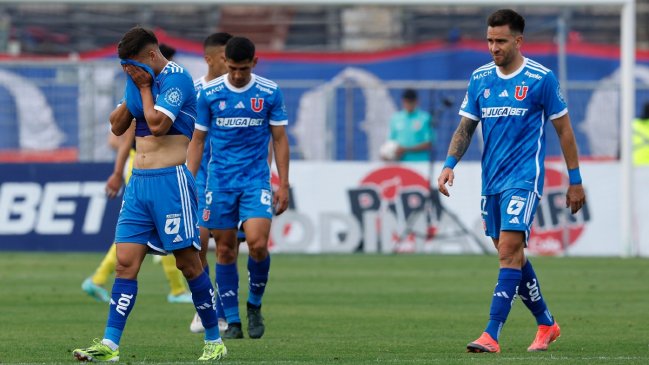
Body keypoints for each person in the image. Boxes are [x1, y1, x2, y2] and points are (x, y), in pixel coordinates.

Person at [73, 26, 226, 362]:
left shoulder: (178, 79)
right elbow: (116, 126)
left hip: (170, 183)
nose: (128, 71)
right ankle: (110, 344)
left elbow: (157, 125)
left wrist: (142, 87)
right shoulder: (136, 77)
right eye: (124, 67)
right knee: (125, 264)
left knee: (188, 265)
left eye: (133, 65)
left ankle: (214, 338)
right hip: (138, 183)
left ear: (152, 55)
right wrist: (133, 88)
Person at [436, 9, 586, 354]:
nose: (493, 47)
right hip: (492, 181)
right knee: (511, 256)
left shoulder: (540, 78)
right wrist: (449, 164)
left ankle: (491, 334)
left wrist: (575, 180)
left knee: (507, 252)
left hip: (524, 178)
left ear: (518, 40)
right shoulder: (480, 79)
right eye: (489, 40)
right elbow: (466, 126)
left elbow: (564, 130)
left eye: (500, 41)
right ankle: (547, 323)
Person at [187, 36, 290, 340]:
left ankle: (254, 306)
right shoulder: (209, 93)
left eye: (242, 69)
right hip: (219, 183)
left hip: (255, 180)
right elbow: (198, 140)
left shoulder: (269, 92)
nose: (236, 74)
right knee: (225, 250)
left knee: (257, 244)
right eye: (232, 68)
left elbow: (280, 139)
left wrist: (283, 183)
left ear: (254, 64)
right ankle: (232, 321)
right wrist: (190, 182)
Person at [81, 43, 193, 305]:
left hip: (152, 165)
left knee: (138, 237)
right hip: (142, 167)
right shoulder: (142, 86)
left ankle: (98, 278)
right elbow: (121, 136)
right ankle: (176, 290)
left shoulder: (172, 83)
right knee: (148, 236)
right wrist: (118, 172)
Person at [188, 31, 234, 334]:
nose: (230, 64)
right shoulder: (192, 91)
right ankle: (206, 303)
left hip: (229, 178)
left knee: (227, 246)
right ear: (210, 59)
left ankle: (224, 307)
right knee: (198, 243)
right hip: (200, 175)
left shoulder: (235, 92)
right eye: (224, 58)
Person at [384, 88, 434, 162]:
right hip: (400, 163)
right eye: (406, 101)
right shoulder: (396, 118)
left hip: (420, 163)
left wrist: (406, 149)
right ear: (403, 101)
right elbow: (391, 141)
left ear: (416, 101)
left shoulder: (425, 118)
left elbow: (429, 143)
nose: (409, 104)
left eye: (411, 102)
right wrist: (388, 153)